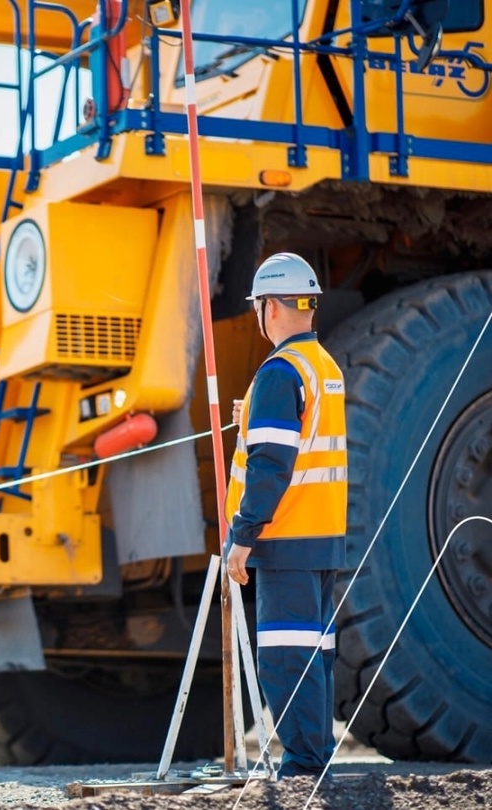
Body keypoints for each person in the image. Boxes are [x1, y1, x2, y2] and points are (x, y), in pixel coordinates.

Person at [223, 253, 348, 779]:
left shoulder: (279, 372)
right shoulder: (324, 366)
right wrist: (252, 415)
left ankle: (303, 767)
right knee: (313, 657)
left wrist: (242, 537)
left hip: (287, 539)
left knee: (285, 660)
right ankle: (312, 759)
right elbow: (304, 435)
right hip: (321, 540)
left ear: (269, 307)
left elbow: (272, 466)